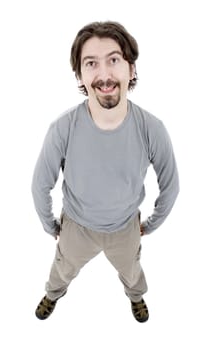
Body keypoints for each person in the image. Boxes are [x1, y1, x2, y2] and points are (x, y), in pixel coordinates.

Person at [32, 21, 179, 323]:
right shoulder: (63, 128)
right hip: (76, 228)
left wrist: (150, 225)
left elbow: (171, 186)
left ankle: (136, 298)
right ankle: (52, 294)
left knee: (132, 271)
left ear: (131, 69)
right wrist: (51, 226)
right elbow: (39, 185)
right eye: (91, 64)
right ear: (81, 76)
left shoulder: (152, 128)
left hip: (126, 228)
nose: (104, 75)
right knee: (62, 268)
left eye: (114, 60)